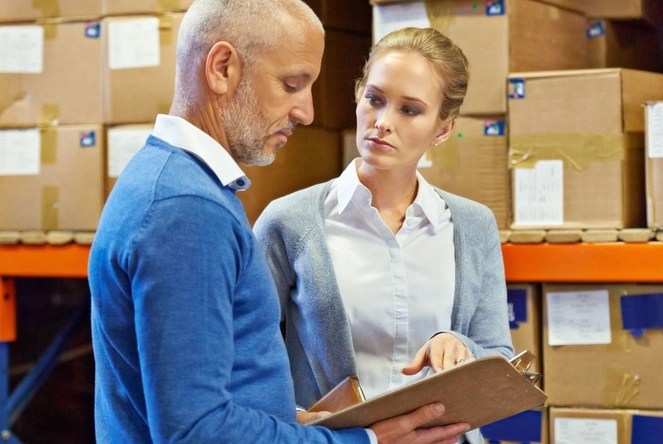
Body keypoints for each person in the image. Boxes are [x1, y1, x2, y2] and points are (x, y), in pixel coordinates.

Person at [88, 1, 471, 443]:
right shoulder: (186, 211)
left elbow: (208, 393)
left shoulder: (170, 181)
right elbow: (197, 431)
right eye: (292, 85)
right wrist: (361, 442)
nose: (306, 112)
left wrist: (287, 421)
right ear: (222, 68)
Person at [254, 27, 514, 444]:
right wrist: (296, 422)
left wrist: (457, 343)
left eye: (410, 110)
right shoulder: (289, 221)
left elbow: (499, 356)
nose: (383, 122)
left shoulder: (473, 225)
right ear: (358, 97)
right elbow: (245, 358)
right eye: (375, 99)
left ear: (443, 129)